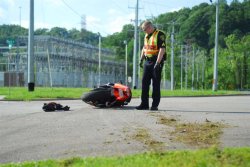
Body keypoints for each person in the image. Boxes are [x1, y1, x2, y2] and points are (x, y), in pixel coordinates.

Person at [136, 20, 166, 111]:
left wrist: (158, 63)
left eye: (145, 29)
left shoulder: (160, 34)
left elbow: (162, 49)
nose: (144, 31)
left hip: (156, 61)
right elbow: (144, 48)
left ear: (149, 27)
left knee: (156, 84)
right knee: (144, 83)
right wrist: (141, 59)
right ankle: (144, 104)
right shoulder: (146, 35)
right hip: (147, 62)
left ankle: (154, 105)